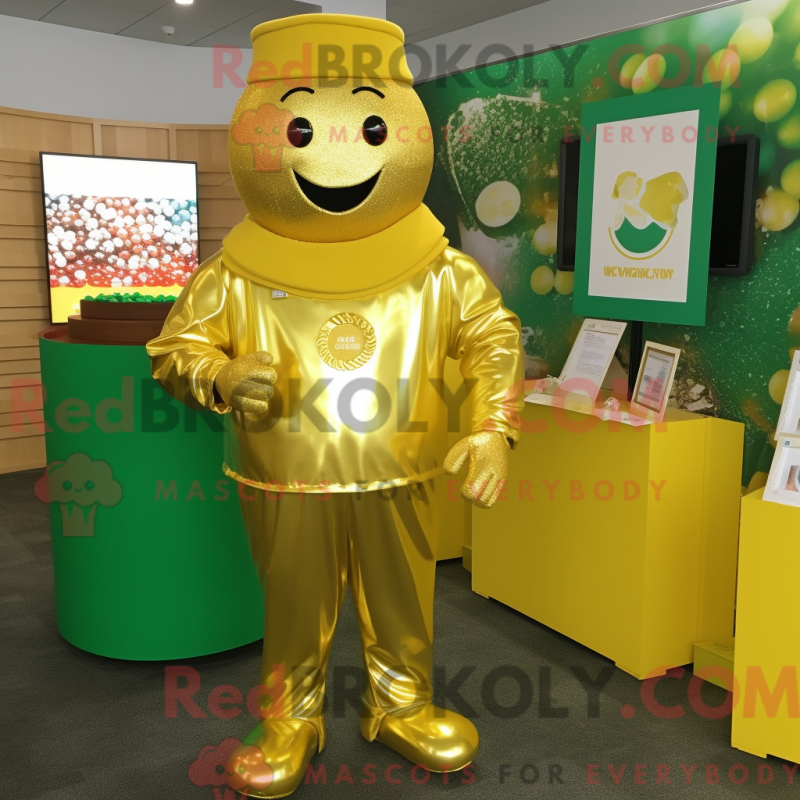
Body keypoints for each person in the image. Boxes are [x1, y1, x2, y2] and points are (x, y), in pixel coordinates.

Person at [147, 13, 523, 798]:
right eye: (302, 130)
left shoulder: (435, 268)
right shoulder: (237, 271)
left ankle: (401, 705)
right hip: (283, 472)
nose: (337, 155)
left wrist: (494, 426)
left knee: (404, 597)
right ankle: (291, 717)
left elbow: (491, 336)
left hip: (402, 467)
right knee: (293, 600)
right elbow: (176, 349)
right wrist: (220, 377)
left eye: (371, 127)